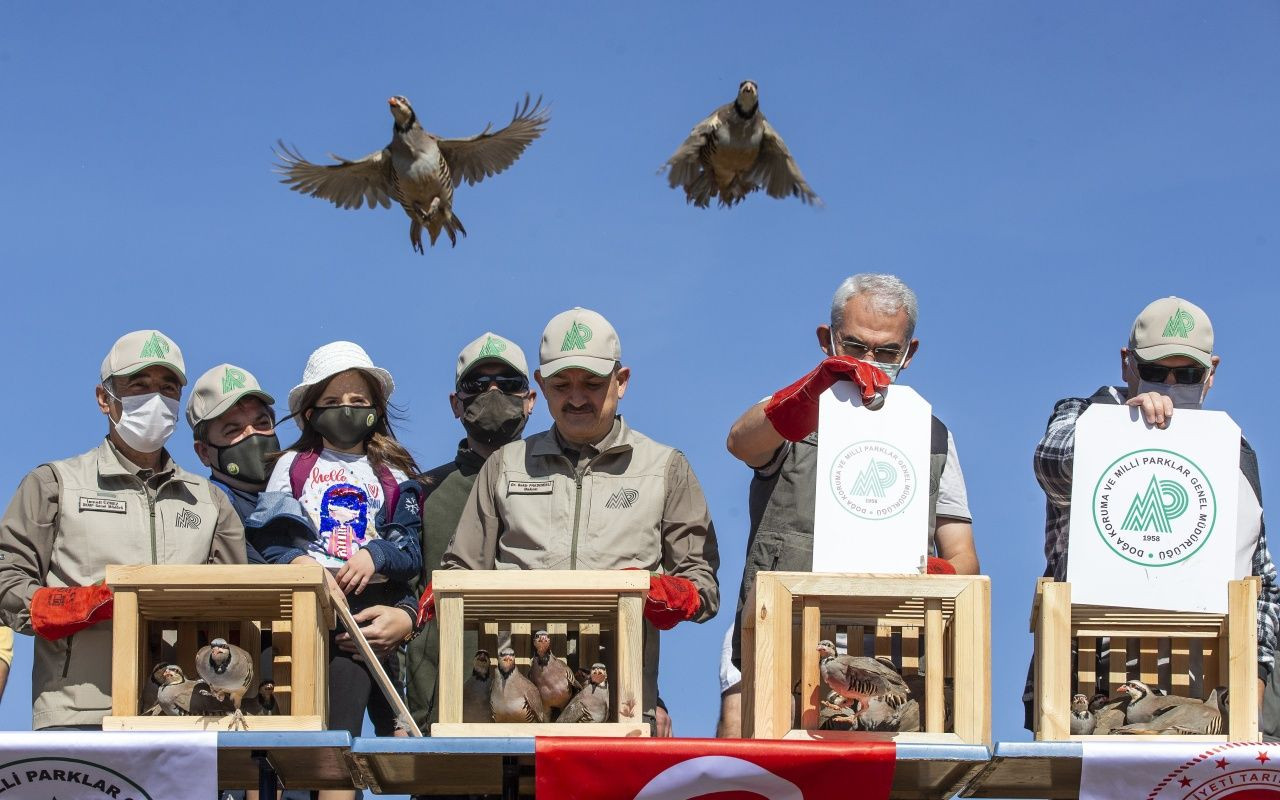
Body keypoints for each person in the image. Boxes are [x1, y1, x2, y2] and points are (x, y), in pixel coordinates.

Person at [442, 308, 721, 733]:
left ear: (621, 381)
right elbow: (459, 574)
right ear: (540, 386)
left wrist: (673, 593)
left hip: (618, 703)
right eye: (560, 385)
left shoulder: (665, 467)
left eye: (592, 383)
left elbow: (701, 584)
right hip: (516, 704)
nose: (576, 397)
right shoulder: (505, 466)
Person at [1027, 296, 1280, 732]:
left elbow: (1262, 580)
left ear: (1211, 373)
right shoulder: (1083, 415)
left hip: (1207, 695)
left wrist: (1253, 686)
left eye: (1186, 374)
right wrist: (1121, 435)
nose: (1168, 383)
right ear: (1127, 364)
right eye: (1154, 371)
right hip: (1091, 687)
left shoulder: (1234, 450)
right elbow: (1050, 466)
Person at [724, 273, 979, 696]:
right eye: (856, 346)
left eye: (887, 351)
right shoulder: (793, 411)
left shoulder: (932, 434)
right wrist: (809, 394)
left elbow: (963, 555)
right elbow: (740, 442)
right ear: (828, 340)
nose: (869, 360)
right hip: (791, 638)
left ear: (909, 353)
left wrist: (931, 572)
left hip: (890, 654)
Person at [0, 330, 247, 730]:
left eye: (168, 389)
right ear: (104, 398)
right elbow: (7, 581)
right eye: (140, 386)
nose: (156, 399)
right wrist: (83, 604)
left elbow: (237, 606)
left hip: (185, 718)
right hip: (78, 713)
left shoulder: (210, 502)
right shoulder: (53, 484)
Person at [247, 341, 423, 751]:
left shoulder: (394, 472)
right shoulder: (292, 466)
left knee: (344, 718)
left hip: (368, 594)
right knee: (293, 716)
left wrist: (375, 554)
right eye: (331, 400)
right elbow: (268, 537)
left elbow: (411, 548)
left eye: (357, 400)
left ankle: (394, 714)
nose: (345, 408)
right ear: (311, 413)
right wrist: (297, 564)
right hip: (309, 600)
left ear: (375, 410)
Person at [406, 332, 536, 733]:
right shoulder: (422, 492)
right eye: (477, 386)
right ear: (455, 404)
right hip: (442, 706)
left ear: (531, 401)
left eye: (508, 384)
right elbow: (401, 599)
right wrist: (398, 707)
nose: (493, 391)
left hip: (539, 705)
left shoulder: (562, 485)